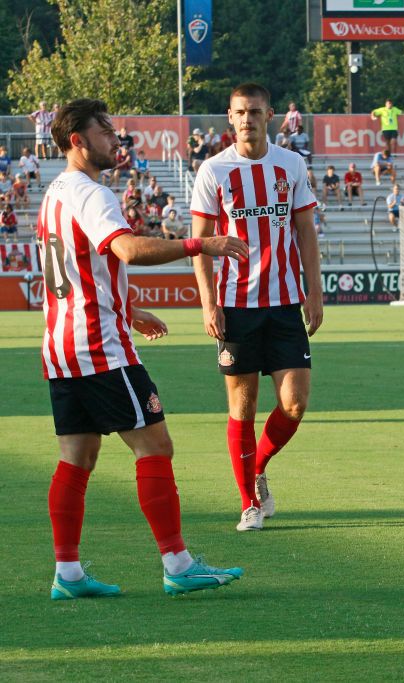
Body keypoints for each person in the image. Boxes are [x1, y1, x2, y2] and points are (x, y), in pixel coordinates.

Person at [39, 98, 246, 600]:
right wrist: (203, 245)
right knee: (155, 447)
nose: (116, 138)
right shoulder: (91, 193)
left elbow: (73, 272)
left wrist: (128, 310)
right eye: (105, 131)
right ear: (78, 142)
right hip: (100, 349)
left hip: (61, 347)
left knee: (77, 456)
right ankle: (177, 563)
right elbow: (128, 248)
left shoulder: (55, 194)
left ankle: (67, 575)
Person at [190, 82, 323, 532]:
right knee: (242, 407)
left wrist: (315, 291)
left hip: (285, 302)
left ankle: (257, 467)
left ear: (271, 116)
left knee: (295, 404)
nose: (247, 119)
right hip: (235, 305)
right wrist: (209, 303)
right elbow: (202, 244)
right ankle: (249, 501)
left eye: (255, 111)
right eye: (240, 112)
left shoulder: (291, 164)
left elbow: (305, 230)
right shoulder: (213, 170)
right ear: (230, 117)